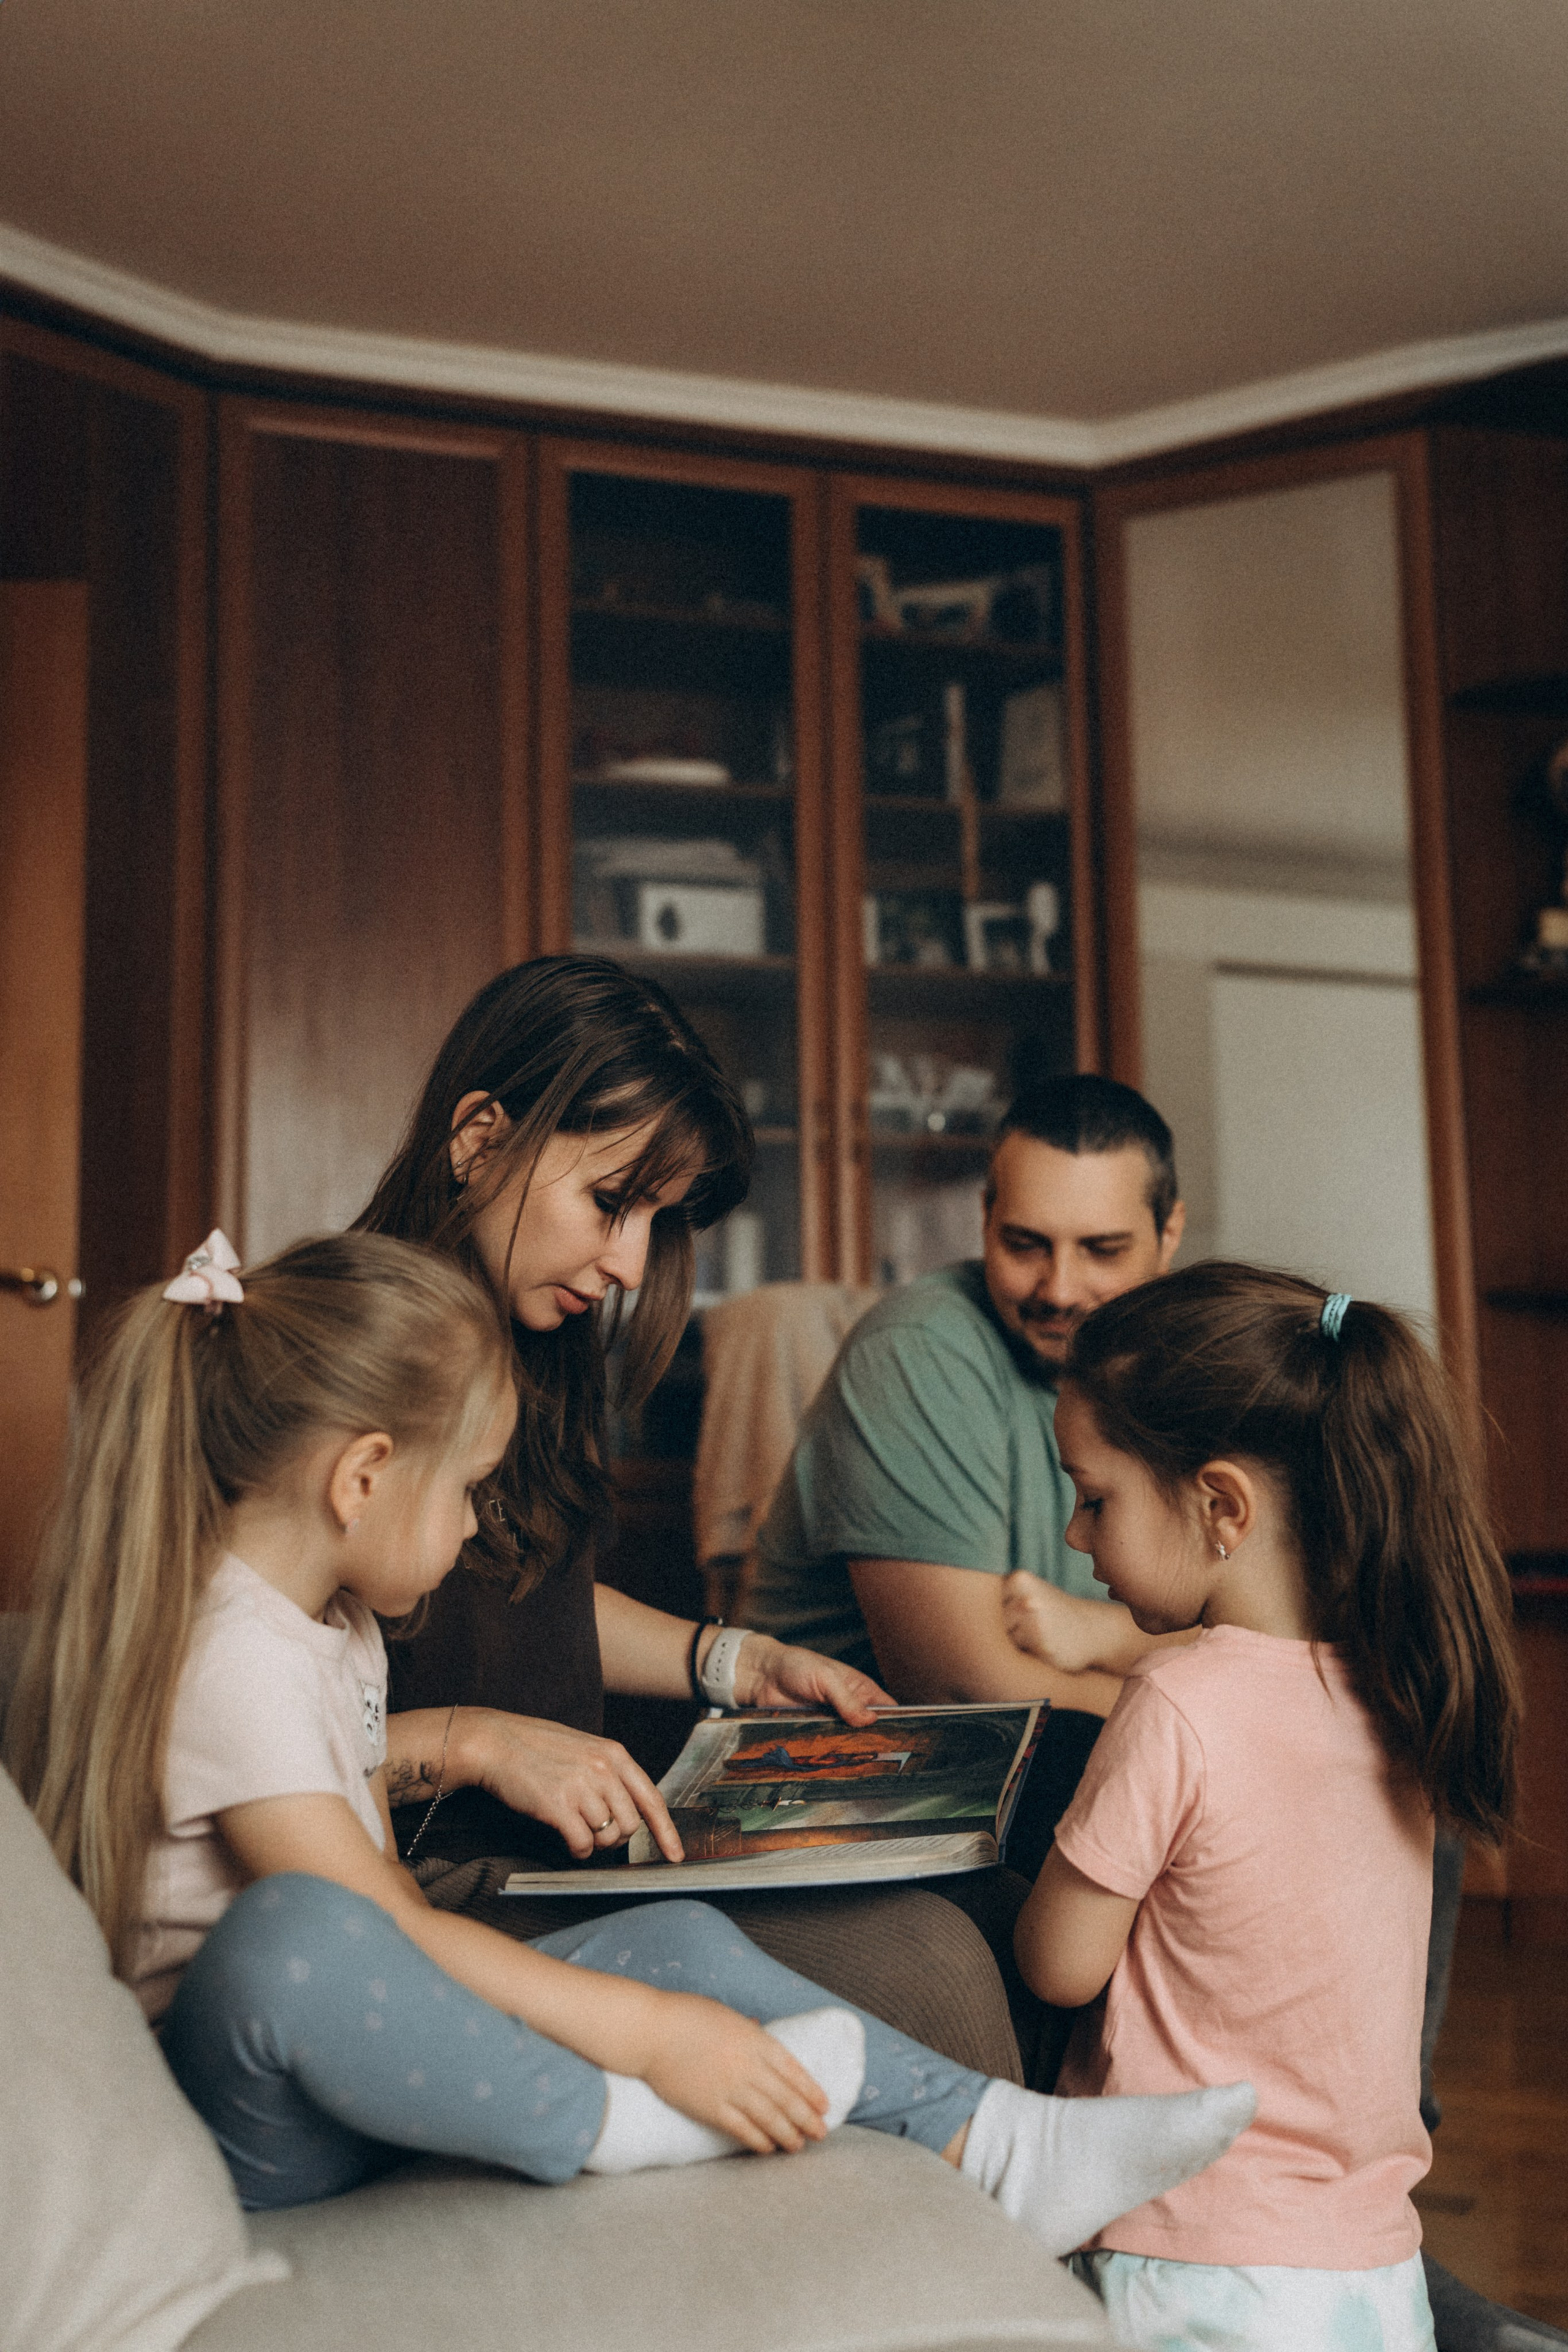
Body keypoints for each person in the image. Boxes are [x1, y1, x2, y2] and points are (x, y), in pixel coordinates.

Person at [6, 1228, 1253, 2234]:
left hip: (365, 2053)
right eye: (464, 1493)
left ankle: (998, 2140)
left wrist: (649, 1983)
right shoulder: (231, 1651)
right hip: (246, 2104)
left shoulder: (330, 1625)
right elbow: (368, 1921)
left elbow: (382, 1874)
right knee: (289, 1938)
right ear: (362, 1477)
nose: (469, 1534)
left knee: (675, 1935)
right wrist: (648, 2041)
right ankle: (618, 2118)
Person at [350, 954, 1041, 2082]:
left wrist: (735, 1661)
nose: (627, 1265)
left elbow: (531, 1593)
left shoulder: (535, 1351)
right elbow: (236, 1733)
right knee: (929, 1963)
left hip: (562, 1853)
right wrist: (474, 1744)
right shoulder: (345, 1364)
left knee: (1000, 1897)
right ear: (479, 1138)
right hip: (439, 1879)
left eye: (656, 1222)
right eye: (610, 1202)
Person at [1011, 1262, 1521, 2351]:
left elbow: (1059, 1962)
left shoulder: (1178, 1706)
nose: (1074, 1536)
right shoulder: (1403, 1687)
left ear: (1222, 1505)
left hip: (1190, 2260)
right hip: (1374, 2279)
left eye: (1094, 1497)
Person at [747, 1074, 1185, 1716]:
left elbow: (1267, 1625)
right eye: (1025, 1244)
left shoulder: (1180, 1361)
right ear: (984, 1218)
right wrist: (1206, 1715)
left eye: (1101, 1250)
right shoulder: (917, 1351)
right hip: (844, 1779)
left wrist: (1105, 1634)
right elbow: (958, 1692)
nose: (1059, 1289)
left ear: (1167, 1234)